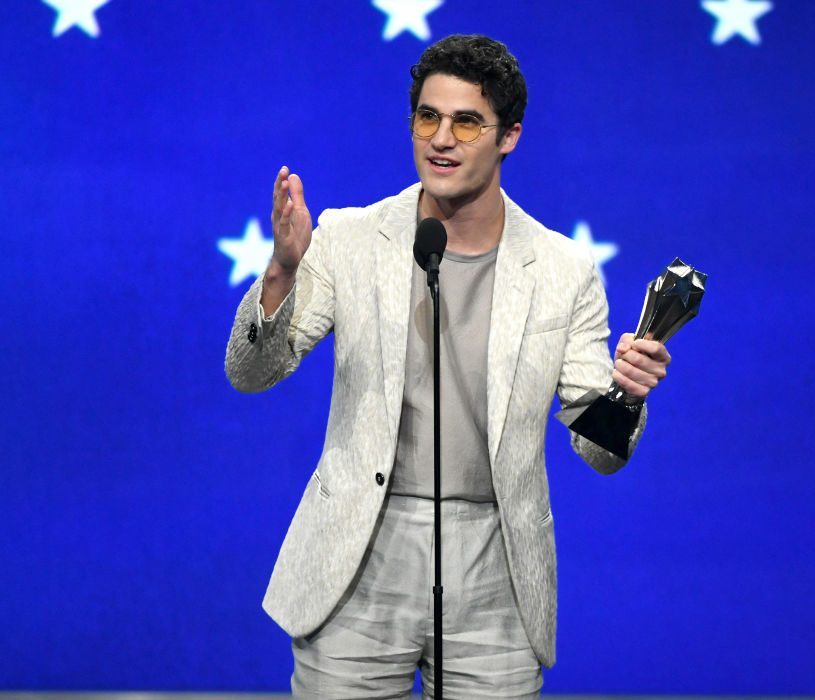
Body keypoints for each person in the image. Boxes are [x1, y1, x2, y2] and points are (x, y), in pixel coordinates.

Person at [225, 34, 672, 698]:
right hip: (359, 559)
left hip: (495, 570)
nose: (441, 138)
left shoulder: (563, 270)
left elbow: (597, 449)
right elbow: (251, 372)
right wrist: (281, 273)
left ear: (509, 136)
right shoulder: (350, 239)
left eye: (467, 122)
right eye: (428, 117)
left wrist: (626, 397)